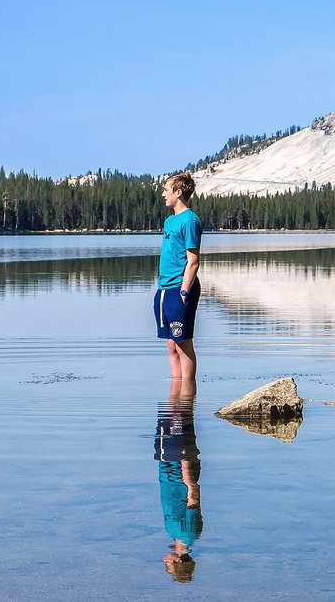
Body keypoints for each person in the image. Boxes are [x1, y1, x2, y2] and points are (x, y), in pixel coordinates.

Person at [154, 172, 203, 383]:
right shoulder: (169, 221)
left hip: (180, 289)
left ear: (178, 192)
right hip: (164, 290)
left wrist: (184, 292)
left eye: (166, 190)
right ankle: (175, 394)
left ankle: (186, 400)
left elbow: (193, 262)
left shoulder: (190, 221)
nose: (163, 194)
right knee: (171, 344)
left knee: (183, 344)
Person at [154, 378, 202, 583]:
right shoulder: (189, 535)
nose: (165, 559)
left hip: (168, 469)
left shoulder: (179, 537)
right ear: (179, 562)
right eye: (168, 563)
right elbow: (193, 498)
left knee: (171, 415)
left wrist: (174, 545)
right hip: (176, 469)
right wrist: (185, 464)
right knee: (176, 415)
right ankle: (181, 383)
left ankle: (178, 384)